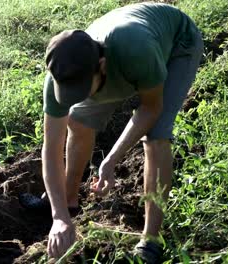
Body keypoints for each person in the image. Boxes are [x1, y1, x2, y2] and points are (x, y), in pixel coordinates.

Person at [20, 2, 204, 263]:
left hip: (176, 46)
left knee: (156, 137)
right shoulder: (61, 74)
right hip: (120, 60)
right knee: (78, 120)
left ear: (102, 66)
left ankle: (151, 241)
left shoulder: (135, 49)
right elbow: (50, 149)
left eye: (82, 89)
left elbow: (151, 108)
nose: (75, 96)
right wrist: (59, 215)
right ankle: (70, 199)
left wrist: (110, 161)